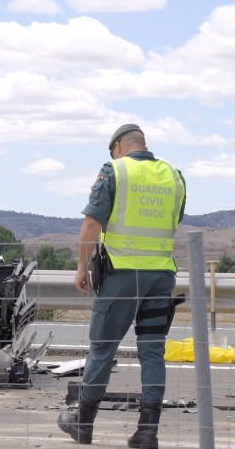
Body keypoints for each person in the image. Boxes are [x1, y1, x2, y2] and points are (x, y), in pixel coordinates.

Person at [57, 124, 186, 448]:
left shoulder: (115, 170)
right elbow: (174, 221)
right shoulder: (174, 175)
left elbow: (91, 223)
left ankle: (83, 422)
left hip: (122, 275)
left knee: (103, 348)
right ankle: (147, 432)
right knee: (153, 352)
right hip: (161, 276)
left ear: (118, 147)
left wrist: (82, 267)